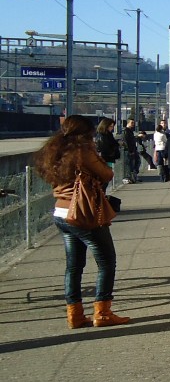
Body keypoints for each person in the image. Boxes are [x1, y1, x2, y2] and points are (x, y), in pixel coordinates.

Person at [32, 114, 130, 328]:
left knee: (74, 266)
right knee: (106, 262)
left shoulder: (55, 151)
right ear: (85, 133)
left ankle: (74, 315)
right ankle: (102, 313)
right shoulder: (83, 151)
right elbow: (106, 174)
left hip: (61, 213)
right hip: (82, 215)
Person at [94, 117, 121, 191]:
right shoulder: (103, 136)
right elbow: (104, 149)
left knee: (106, 180)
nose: (112, 128)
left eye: (113, 126)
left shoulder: (107, 135)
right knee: (104, 181)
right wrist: (114, 149)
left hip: (107, 159)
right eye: (110, 126)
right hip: (105, 160)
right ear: (105, 126)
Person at [121, 119, 142, 183]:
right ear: (128, 123)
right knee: (130, 164)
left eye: (133, 122)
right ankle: (130, 177)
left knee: (136, 162)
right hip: (129, 150)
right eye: (132, 123)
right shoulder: (126, 131)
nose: (133, 124)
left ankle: (133, 176)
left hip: (133, 149)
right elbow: (126, 141)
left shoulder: (130, 131)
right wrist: (130, 150)